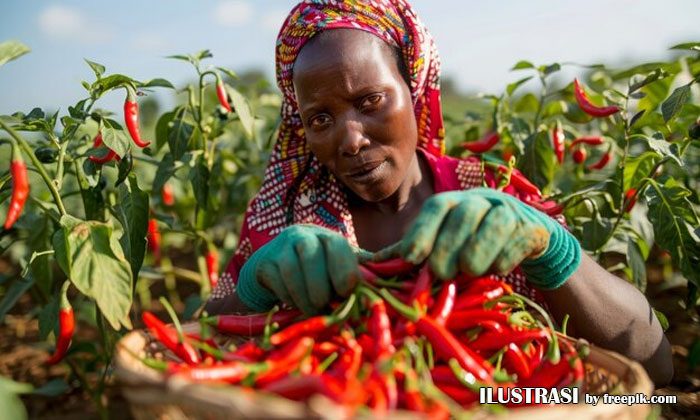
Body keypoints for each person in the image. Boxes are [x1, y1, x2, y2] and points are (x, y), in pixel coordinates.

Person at [205, 0, 672, 386]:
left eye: (370, 101)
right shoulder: (285, 215)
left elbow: (655, 370)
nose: (350, 140)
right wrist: (254, 286)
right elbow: (198, 347)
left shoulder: (492, 193)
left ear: (414, 87)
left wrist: (550, 248)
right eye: (320, 120)